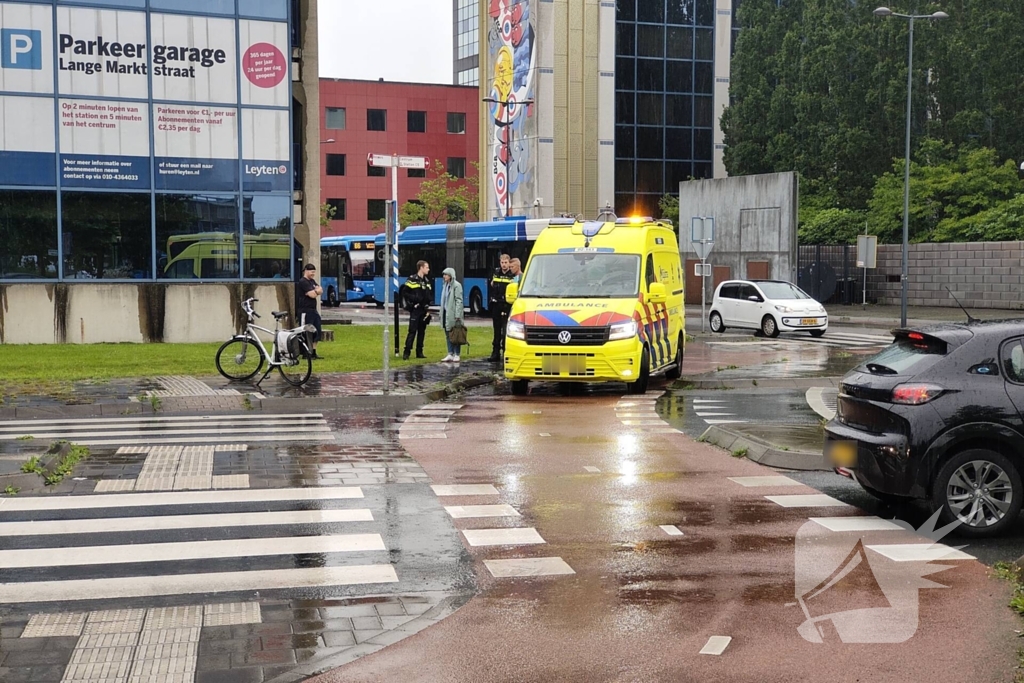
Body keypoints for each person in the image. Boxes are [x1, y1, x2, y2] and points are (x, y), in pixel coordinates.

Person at [401, 260, 432, 360]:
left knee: (422, 332)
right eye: (427, 267)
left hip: (423, 310)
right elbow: (405, 293)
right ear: (421, 268)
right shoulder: (412, 279)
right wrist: (413, 303)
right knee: (412, 331)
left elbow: (428, 295)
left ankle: (419, 352)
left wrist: (427, 306)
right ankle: (406, 352)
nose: (428, 269)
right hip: (415, 310)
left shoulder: (426, 281)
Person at [487, 253, 514, 362]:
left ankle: (506, 352)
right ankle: (495, 353)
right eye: (502, 262)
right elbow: (492, 286)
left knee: (506, 330)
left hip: (507, 305)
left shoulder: (512, 275)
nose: (504, 265)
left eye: (506, 262)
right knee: (496, 331)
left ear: (509, 263)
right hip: (496, 305)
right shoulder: (496, 273)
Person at [296, 263, 323, 359]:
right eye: (312, 272)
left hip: (313, 310)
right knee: (306, 331)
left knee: (317, 331)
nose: (313, 274)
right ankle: (306, 352)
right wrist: (316, 291)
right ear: (306, 271)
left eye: (314, 272)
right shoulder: (303, 282)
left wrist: (316, 291)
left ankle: (313, 352)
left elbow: (320, 290)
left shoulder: (312, 281)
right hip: (305, 310)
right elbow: (312, 295)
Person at [440, 267, 464, 363]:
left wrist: (458, 314)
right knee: (448, 333)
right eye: (444, 274)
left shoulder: (457, 286)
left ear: (450, 276)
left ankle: (457, 354)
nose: (444, 276)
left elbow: (459, 300)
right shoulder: (445, 285)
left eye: (446, 274)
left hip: (453, 313)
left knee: (456, 333)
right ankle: (450, 353)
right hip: (446, 312)